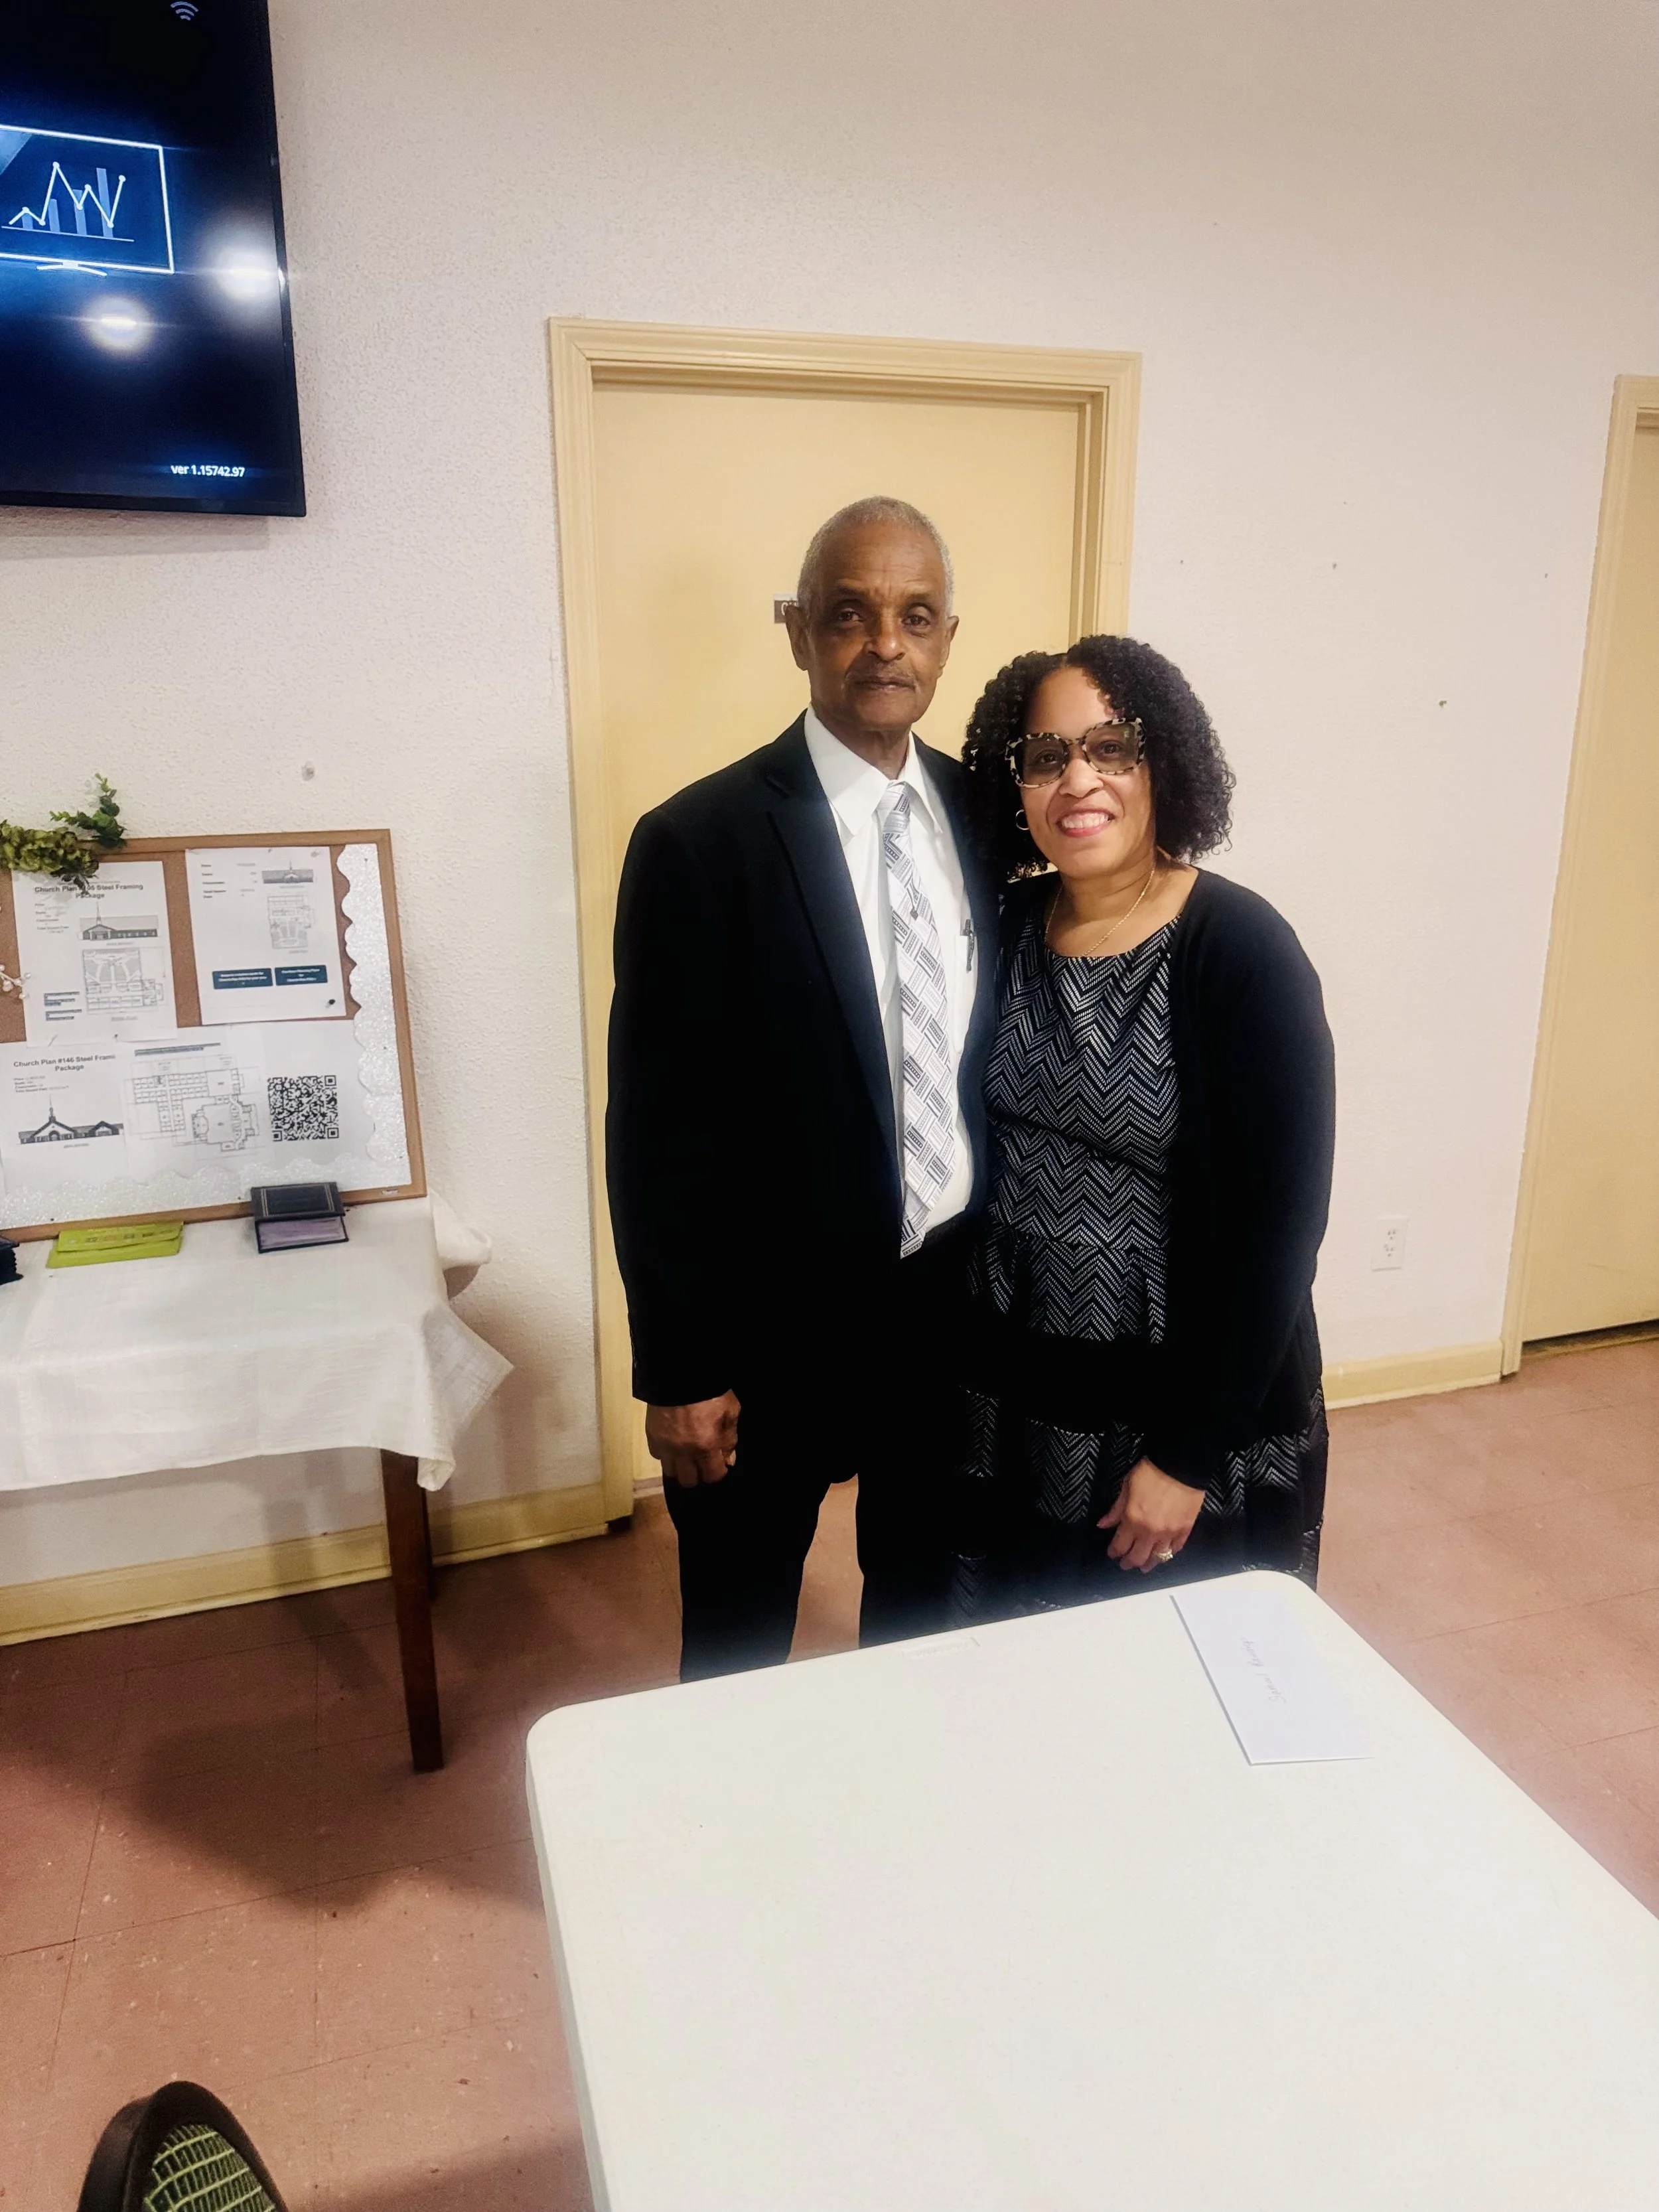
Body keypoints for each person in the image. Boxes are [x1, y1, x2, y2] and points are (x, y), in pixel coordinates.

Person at [607, 497, 999, 1678]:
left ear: (947, 636)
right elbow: (657, 1128)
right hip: (763, 1335)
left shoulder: (984, 816)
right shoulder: (699, 840)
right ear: (797, 632)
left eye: (915, 617)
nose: (886, 645)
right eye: (849, 615)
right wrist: (678, 1370)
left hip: (945, 1311)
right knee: (734, 1631)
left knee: (922, 1610)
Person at [953, 636, 1334, 1615]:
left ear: (1162, 760)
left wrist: (1187, 1455)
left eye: (1110, 747)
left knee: (1171, 1673)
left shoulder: (1242, 948)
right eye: (1046, 756)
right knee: (1014, 1653)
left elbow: (1280, 1233)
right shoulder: (1006, 924)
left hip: (1174, 1396)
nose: (1077, 777)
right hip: (1020, 1381)